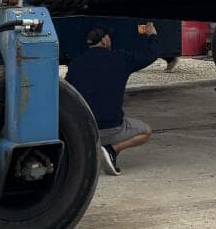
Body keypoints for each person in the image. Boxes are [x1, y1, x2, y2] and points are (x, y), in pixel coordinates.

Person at [64, 22, 160, 175]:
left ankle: (90, 150)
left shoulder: (75, 64)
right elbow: (152, 54)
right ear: (104, 40)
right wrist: (152, 36)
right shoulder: (120, 58)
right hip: (112, 128)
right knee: (146, 131)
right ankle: (112, 150)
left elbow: (69, 96)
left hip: (85, 130)